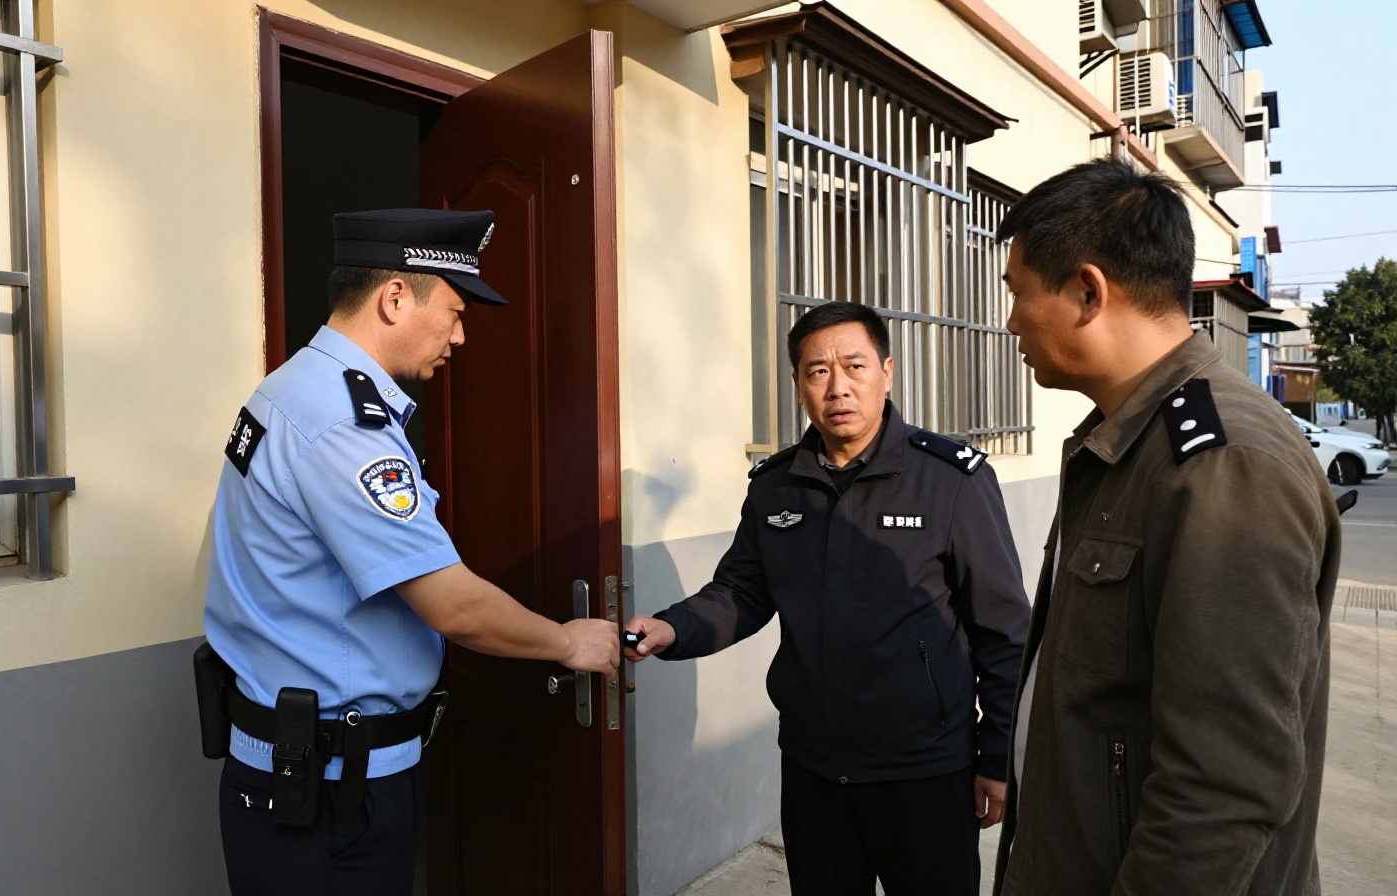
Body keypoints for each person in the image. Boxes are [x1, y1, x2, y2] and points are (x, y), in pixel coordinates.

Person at [199, 208, 620, 895]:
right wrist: (569, 643)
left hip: (312, 771)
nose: (459, 336)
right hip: (328, 789)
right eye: (453, 312)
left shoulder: (293, 390)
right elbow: (455, 606)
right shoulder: (342, 425)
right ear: (394, 298)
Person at [991, 158, 1340, 896]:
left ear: (1088, 291)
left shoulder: (1224, 466)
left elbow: (1223, 788)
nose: (1012, 321)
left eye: (1019, 293)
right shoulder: (1130, 442)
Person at [624, 301, 1031, 896]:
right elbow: (741, 591)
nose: (838, 387)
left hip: (923, 769)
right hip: (815, 766)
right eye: (818, 371)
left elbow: (1002, 631)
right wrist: (671, 629)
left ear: (887, 373)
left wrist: (996, 758)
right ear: (797, 384)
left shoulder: (949, 479)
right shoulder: (776, 486)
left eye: (855, 367)